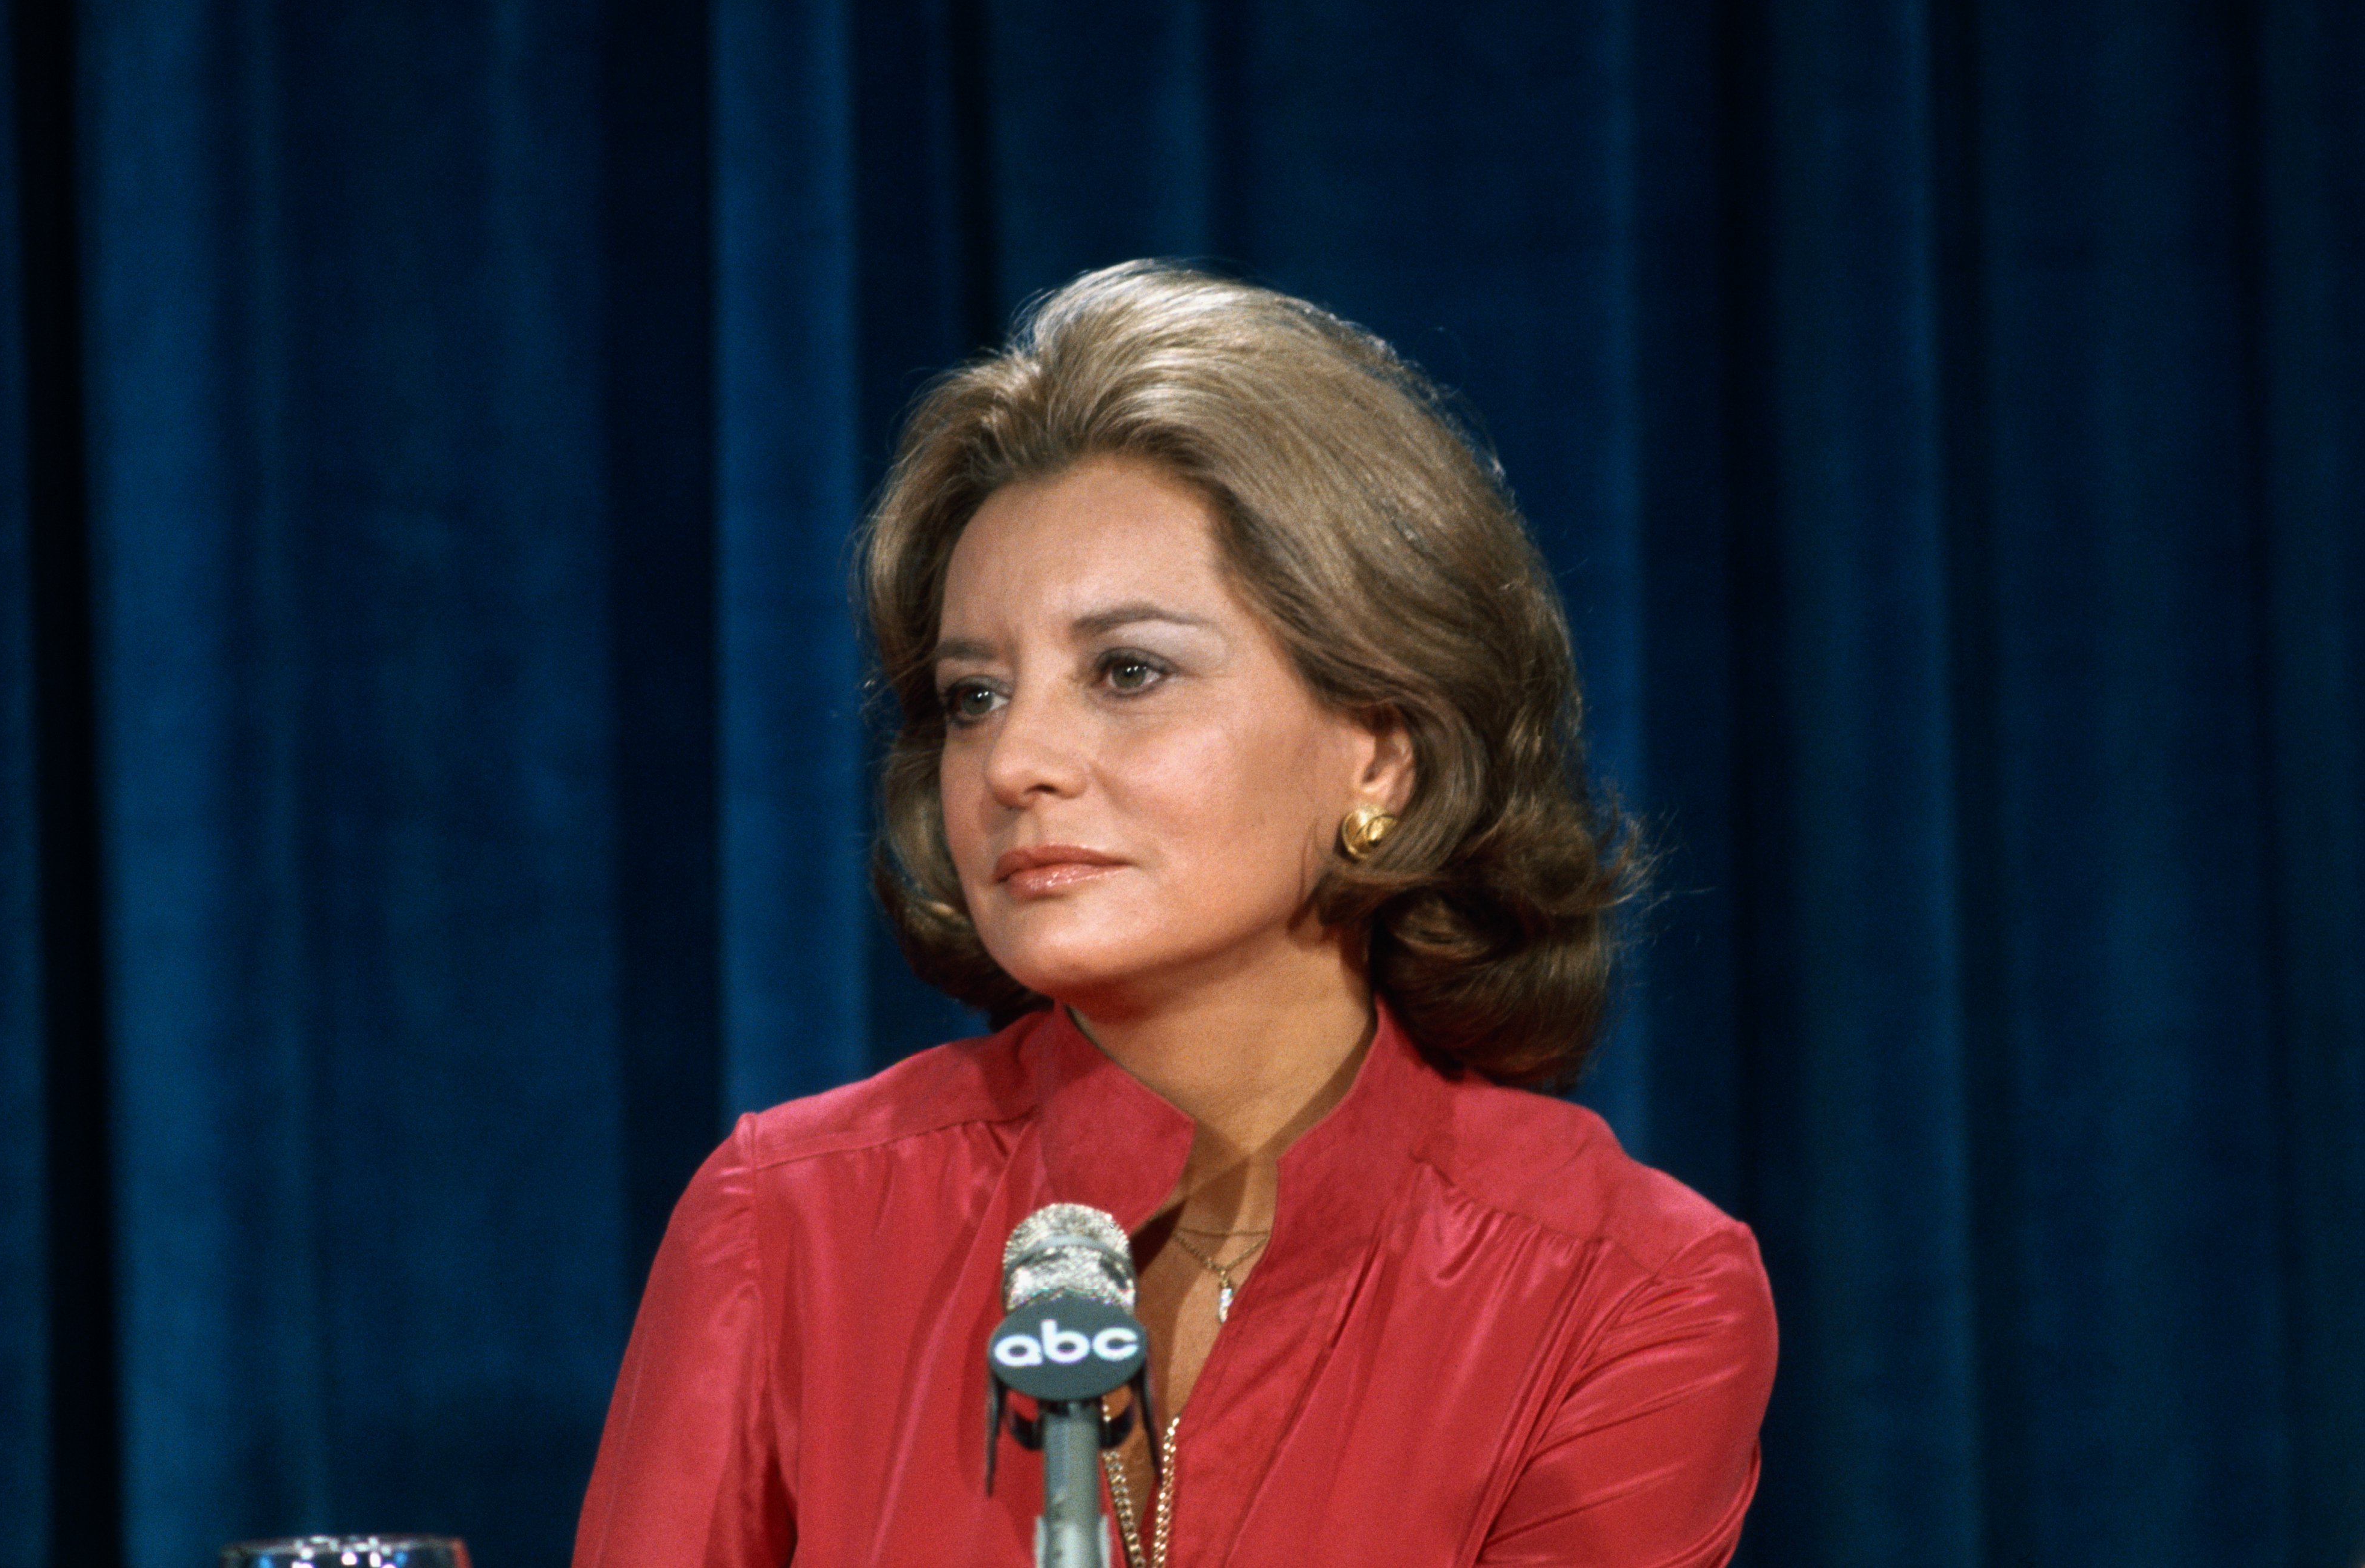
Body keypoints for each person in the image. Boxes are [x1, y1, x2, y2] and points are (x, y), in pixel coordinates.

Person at [572, 263, 1777, 1567]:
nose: (1015, 760)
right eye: (973, 695)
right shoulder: (786, 1222)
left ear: (1380, 752)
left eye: (1126, 671)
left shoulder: (1623, 1290)